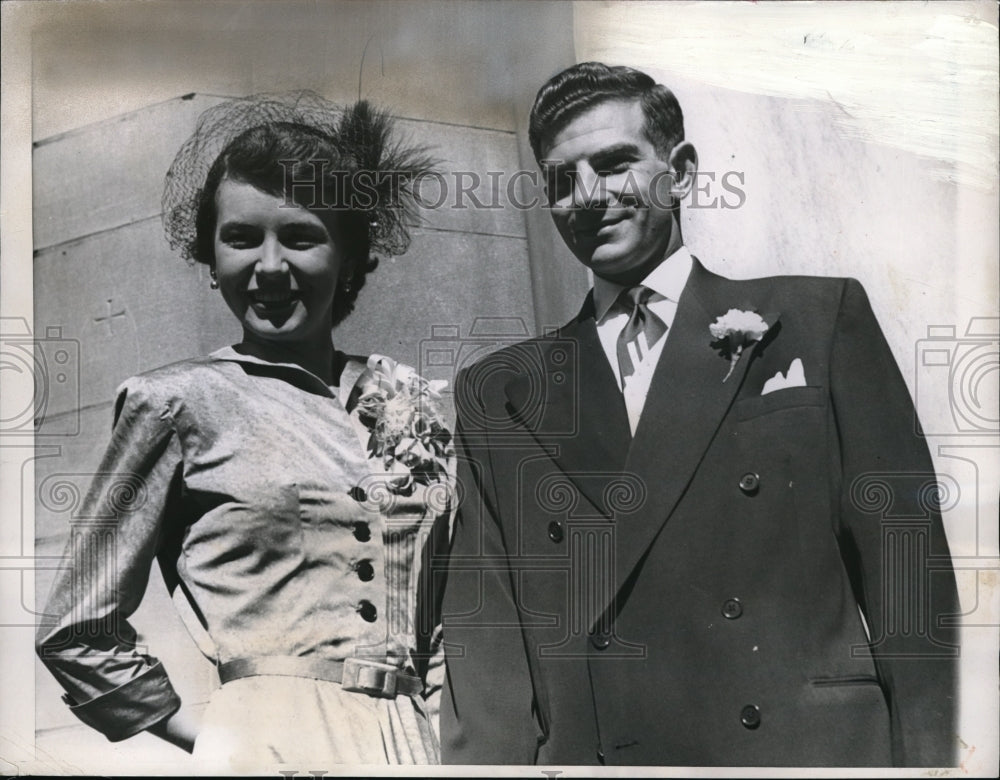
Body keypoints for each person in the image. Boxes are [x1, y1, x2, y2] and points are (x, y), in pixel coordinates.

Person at [439, 62, 959, 767]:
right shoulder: (501, 391)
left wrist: (927, 766)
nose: (588, 196)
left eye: (615, 163)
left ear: (680, 171)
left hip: (801, 754)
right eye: (563, 180)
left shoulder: (813, 321)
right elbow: (488, 647)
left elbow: (909, 582)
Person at [35, 92, 451, 767]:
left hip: (413, 746)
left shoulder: (409, 404)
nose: (269, 266)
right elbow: (76, 629)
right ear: (210, 256)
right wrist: (223, 741)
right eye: (241, 237)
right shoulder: (173, 403)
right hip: (267, 744)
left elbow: (440, 632)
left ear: (349, 254)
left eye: (300, 236)